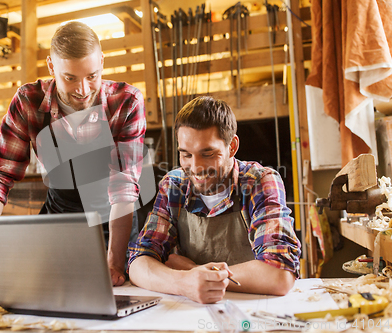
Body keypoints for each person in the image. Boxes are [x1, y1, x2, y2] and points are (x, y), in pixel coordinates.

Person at [0, 21, 146, 288]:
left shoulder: (126, 102)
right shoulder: (27, 102)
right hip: (60, 217)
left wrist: (115, 262)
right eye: (70, 78)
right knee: (39, 293)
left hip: (115, 219)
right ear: (51, 67)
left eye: (92, 76)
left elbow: (124, 187)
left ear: (102, 62)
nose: (83, 89)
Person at [128, 96, 301, 304]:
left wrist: (195, 272)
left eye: (207, 153)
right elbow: (139, 262)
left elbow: (279, 274)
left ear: (232, 146)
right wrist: (183, 282)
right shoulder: (174, 185)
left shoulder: (259, 182)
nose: (197, 167)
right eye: (186, 155)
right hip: (191, 312)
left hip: (253, 311)